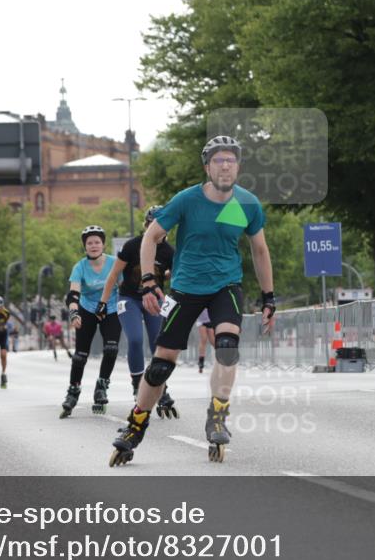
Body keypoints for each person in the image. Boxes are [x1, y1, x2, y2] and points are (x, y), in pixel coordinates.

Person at [110, 135, 275, 466]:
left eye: (231, 159)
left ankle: (217, 415)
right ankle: (135, 425)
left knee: (227, 347)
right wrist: (147, 281)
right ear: (207, 167)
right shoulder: (187, 200)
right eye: (218, 160)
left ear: (238, 166)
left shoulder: (246, 203)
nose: (225, 165)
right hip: (185, 288)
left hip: (225, 285)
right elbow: (150, 238)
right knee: (160, 367)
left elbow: (259, 250)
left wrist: (269, 296)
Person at [97, 205, 178, 416]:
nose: (157, 228)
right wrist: (103, 303)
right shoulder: (133, 246)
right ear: (147, 224)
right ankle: (136, 384)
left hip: (153, 300)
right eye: (153, 224)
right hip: (129, 298)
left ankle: (162, 389)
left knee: (158, 344)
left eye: (162, 224)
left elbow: (176, 276)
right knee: (134, 339)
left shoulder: (169, 251)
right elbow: (114, 274)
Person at [59, 225, 122, 418]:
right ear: (85, 247)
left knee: (111, 348)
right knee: (80, 355)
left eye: (97, 242)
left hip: (110, 308)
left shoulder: (115, 262)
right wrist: (74, 315)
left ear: (103, 244)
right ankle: (73, 391)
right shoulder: (80, 267)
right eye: (89, 243)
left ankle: (101, 386)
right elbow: (73, 295)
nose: (94, 245)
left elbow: (126, 287)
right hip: (87, 309)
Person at [195, 309, 216, 373]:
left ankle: (220, 358)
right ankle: (201, 362)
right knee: (203, 339)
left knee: (213, 341)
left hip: (210, 319)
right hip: (201, 321)